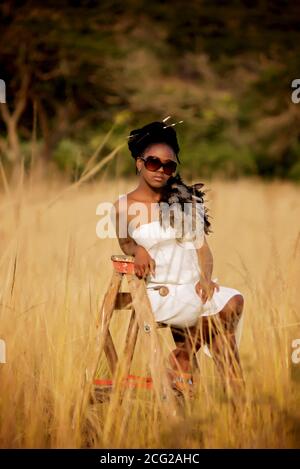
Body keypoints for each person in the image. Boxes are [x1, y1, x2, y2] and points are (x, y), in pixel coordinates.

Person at [112, 119, 245, 400]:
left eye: (169, 166)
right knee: (224, 339)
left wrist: (206, 278)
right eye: (153, 163)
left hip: (193, 285)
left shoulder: (185, 201)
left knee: (234, 302)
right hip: (159, 291)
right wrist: (138, 250)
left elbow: (203, 250)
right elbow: (124, 242)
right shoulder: (123, 206)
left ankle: (183, 357)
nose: (161, 170)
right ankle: (231, 406)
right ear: (139, 163)